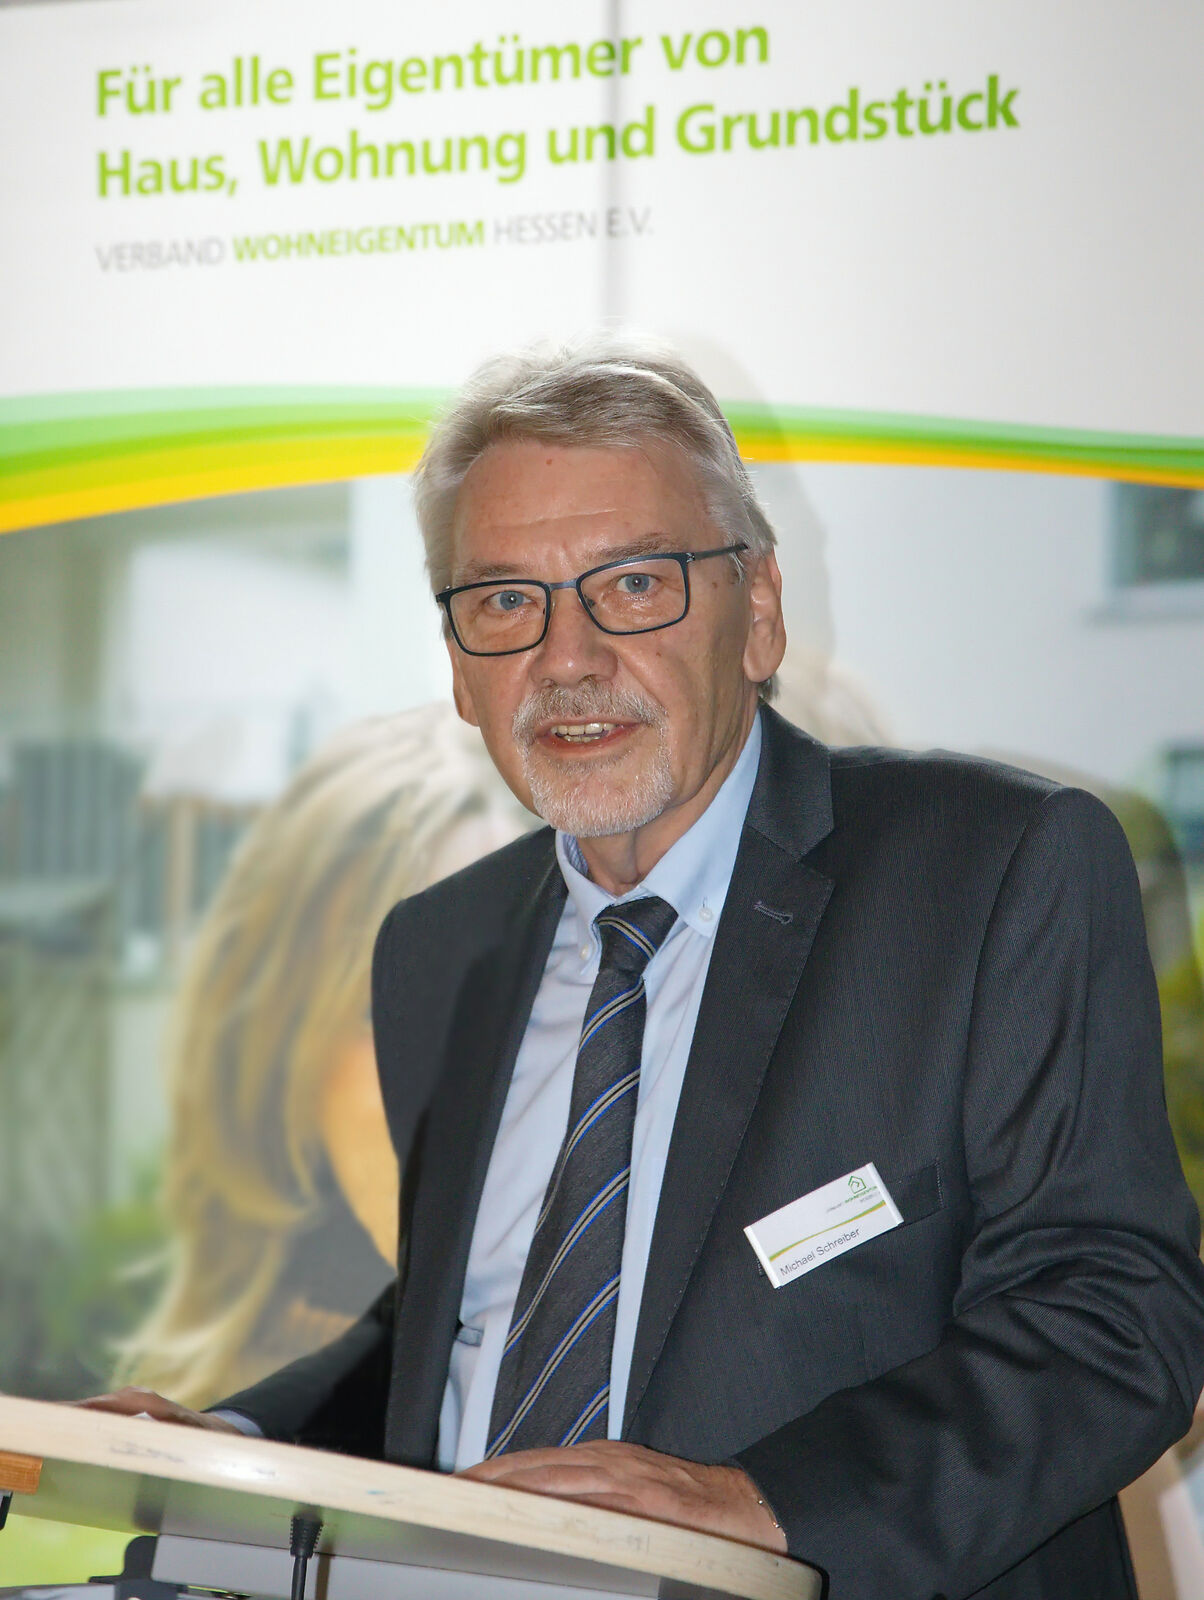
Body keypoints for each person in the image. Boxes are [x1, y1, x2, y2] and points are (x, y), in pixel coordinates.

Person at [85, 336, 1204, 1600]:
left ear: (758, 611)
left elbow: (1115, 1314)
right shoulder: (439, 945)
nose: (567, 658)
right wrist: (227, 1442)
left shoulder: (988, 867)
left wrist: (758, 1508)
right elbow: (454, 1323)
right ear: (457, 665)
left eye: (631, 584)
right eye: (504, 602)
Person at [114, 704, 532, 1407]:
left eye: (505, 1000)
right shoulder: (222, 1421)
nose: (453, 1070)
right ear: (280, 1061)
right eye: (381, 1011)